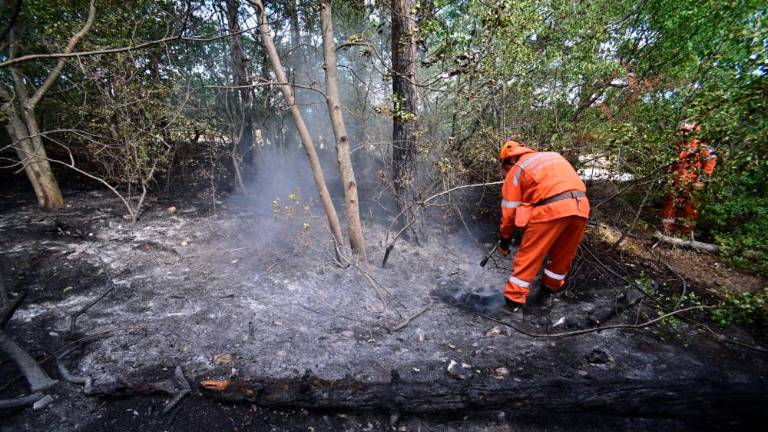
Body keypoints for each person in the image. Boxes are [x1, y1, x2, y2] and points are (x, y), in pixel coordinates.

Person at [496, 140, 590, 311]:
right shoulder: (552, 156)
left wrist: (504, 240)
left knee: (529, 255)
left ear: (508, 161)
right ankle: (546, 298)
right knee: (562, 256)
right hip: (581, 206)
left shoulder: (517, 170)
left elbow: (509, 213)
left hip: (551, 209)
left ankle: (512, 305)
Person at [660, 122, 717, 237]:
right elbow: (671, 162)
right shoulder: (678, 145)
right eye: (681, 131)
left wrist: (701, 180)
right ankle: (666, 232)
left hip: (693, 183)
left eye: (686, 131)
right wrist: (669, 175)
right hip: (676, 181)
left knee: (690, 209)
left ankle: (685, 236)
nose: (683, 134)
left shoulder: (702, 146)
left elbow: (711, 161)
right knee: (671, 205)